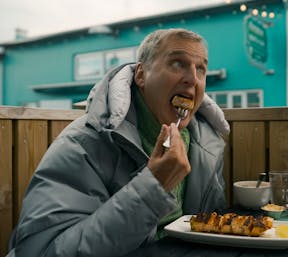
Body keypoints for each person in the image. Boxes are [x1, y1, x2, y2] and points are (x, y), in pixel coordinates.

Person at [7, 28, 229, 257]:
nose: (193, 78)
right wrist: (153, 188)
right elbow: (42, 252)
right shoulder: (82, 143)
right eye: (177, 64)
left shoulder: (207, 145)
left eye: (200, 68)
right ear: (141, 75)